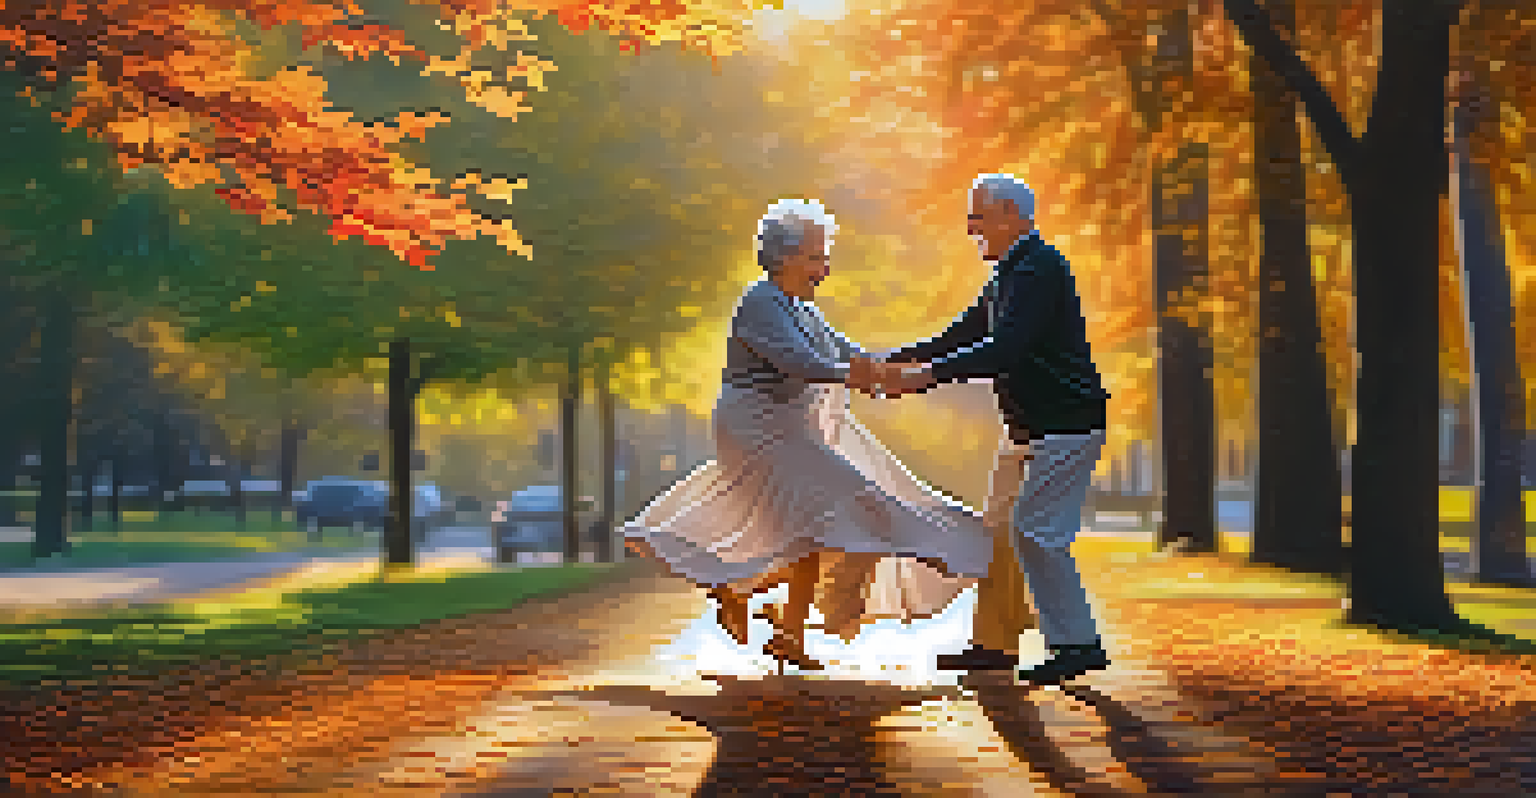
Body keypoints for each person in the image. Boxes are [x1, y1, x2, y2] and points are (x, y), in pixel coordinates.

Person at [623, 199, 992, 670]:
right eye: (816, 256)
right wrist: (862, 375)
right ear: (786, 257)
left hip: (791, 424)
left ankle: (786, 633)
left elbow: (850, 353)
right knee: (845, 501)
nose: (825, 266)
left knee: (813, 526)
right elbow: (801, 364)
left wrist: (901, 372)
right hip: (757, 426)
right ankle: (742, 592)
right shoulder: (761, 302)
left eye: (824, 255)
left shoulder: (804, 310)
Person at [863, 173, 1113, 686]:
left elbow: (1004, 349)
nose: (971, 225)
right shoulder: (1008, 275)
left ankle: (1078, 643)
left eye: (979, 215)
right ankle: (995, 645)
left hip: (1064, 424)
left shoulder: (1040, 268)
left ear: (1010, 216)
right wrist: (901, 359)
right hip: (1026, 429)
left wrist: (921, 380)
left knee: (1038, 533)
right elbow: (964, 333)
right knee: (998, 534)